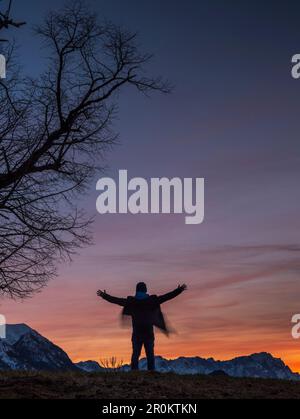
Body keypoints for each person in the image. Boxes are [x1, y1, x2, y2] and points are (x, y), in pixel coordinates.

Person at [97, 282, 187, 371]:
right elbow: (167, 297)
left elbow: (116, 300)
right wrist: (179, 290)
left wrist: (104, 295)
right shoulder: (152, 301)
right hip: (148, 333)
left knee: (136, 353)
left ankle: (134, 372)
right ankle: (151, 372)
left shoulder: (131, 302)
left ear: (136, 290)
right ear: (146, 290)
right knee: (150, 354)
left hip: (137, 333)